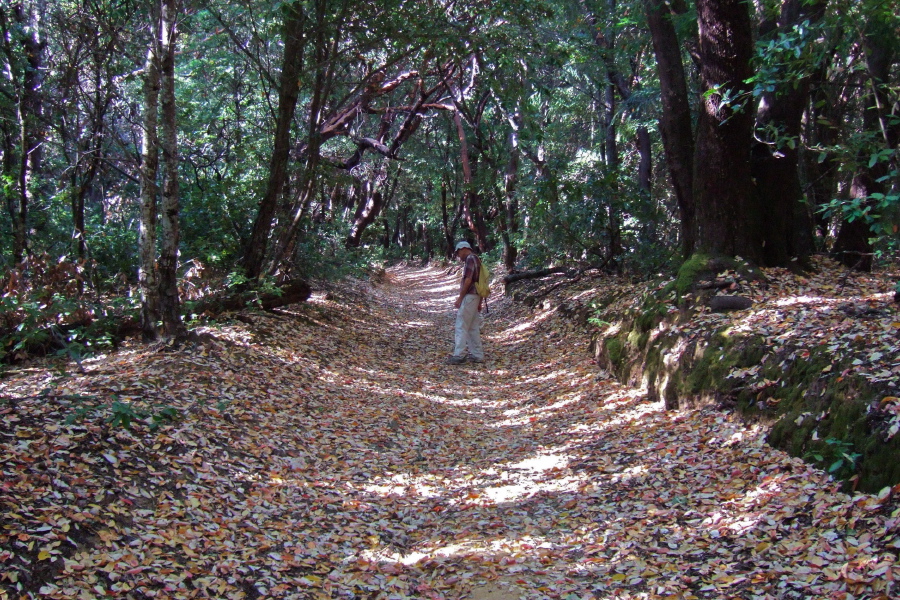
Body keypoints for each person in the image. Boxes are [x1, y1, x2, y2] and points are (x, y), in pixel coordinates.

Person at [447, 241, 485, 364]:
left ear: (464, 248)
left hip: (469, 297)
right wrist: (479, 301)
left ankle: (459, 355)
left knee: (461, 325)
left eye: (458, 252)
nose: (458, 255)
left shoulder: (470, 258)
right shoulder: (476, 259)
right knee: (472, 327)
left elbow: (468, 280)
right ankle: (477, 355)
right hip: (475, 296)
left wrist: (460, 298)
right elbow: (480, 281)